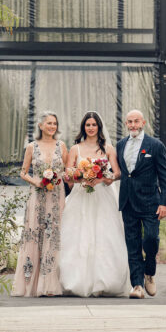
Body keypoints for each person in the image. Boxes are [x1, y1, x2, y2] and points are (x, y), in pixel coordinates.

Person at [59, 111, 131, 297]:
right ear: (84, 127)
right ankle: (76, 281)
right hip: (80, 196)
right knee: (78, 236)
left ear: (99, 127)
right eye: (87, 125)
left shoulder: (108, 148)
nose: (91, 128)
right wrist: (81, 177)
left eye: (94, 125)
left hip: (103, 197)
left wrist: (102, 178)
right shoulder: (76, 149)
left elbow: (117, 173)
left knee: (105, 236)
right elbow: (68, 175)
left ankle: (105, 281)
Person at [116, 109, 166, 299]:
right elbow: (121, 172)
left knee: (151, 239)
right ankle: (137, 285)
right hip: (128, 202)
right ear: (126, 124)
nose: (133, 125)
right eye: (129, 122)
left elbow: (165, 176)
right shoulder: (120, 145)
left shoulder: (155, 145)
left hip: (150, 203)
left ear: (143, 123)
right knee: (132, 244)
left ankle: (150, 271)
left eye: (136, 121)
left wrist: (164, 203)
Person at [11, 111, 68, 297]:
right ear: (41, 125)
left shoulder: (62, 145)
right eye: (49, 123)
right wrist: (35, 181)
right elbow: (23, 172)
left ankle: (50, 284)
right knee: (35, 234)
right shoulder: (31, 147)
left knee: (53, 234)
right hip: (37, 195)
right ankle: (31, 283)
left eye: (55, 123)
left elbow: (68, 171)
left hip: (56, 196)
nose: (52, 126)